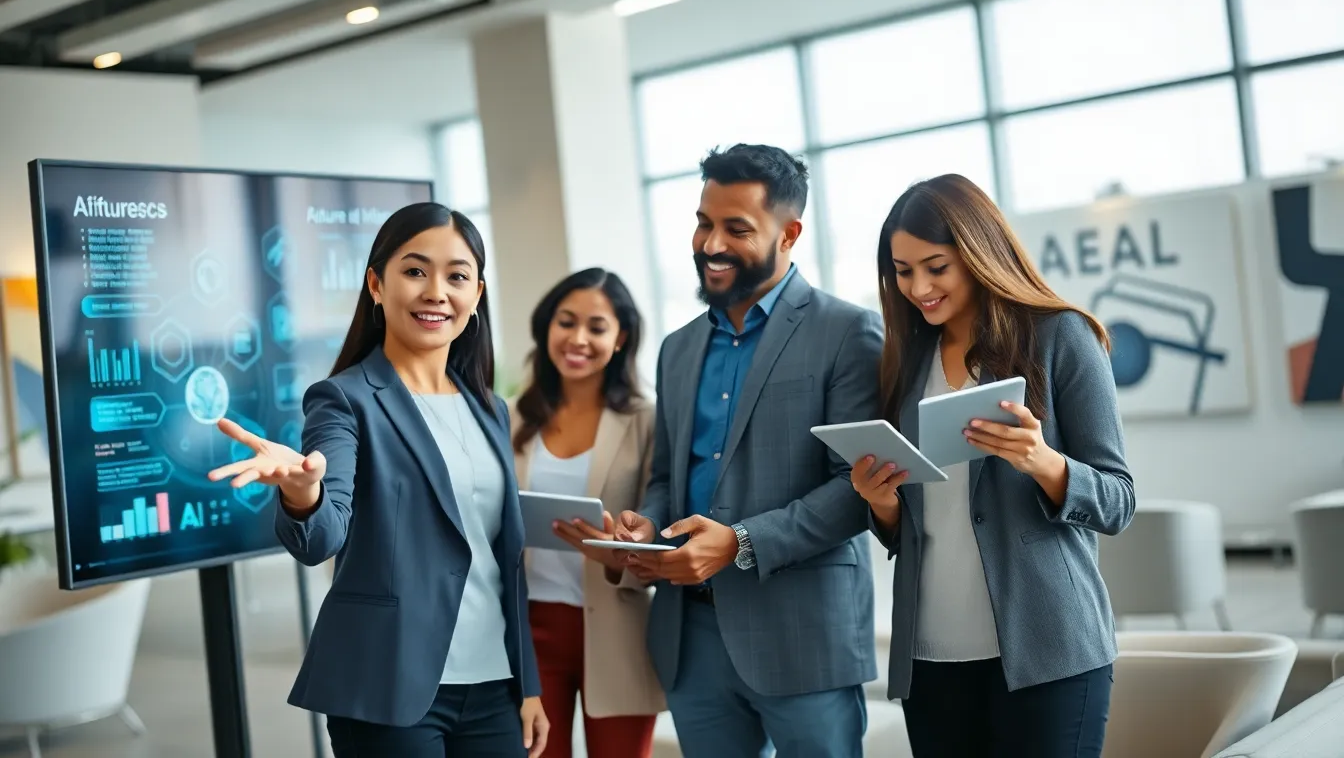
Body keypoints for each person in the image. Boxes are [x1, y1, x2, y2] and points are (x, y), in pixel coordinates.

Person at [206, 202, 548, 758]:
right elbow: (322, 537)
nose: (437, 291)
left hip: (493, 684)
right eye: (415, 271)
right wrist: (302, 492)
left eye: (457, 276)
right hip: (390, 681)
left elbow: (502, 559)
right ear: (376, 284)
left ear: (477, 295)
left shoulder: (491, 408)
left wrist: (527, 685)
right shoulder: (345, 399)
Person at [613, 143, 884, 758]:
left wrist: (740, 544)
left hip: (802, 632)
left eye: (736, 229)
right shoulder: (678, 348)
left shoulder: (848, 333)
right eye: (704, 222)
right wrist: (648, 523)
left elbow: (859, 489)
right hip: (691, 635)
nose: (710, 243)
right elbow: (666, 475)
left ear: (788, 234)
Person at [853, 173, 1135, 758]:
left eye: (936, 267)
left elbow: (1118, 500)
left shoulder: (1061, 337)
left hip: (1047, 653)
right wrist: (881, 502)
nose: (918, 287)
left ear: (979, 254)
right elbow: (916, 524)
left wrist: (1046, 463)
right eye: (903, 271)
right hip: (931, 659)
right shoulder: (908, 362)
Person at [508, 267, 666, 758]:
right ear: (545, 327)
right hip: (529, 631)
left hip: (617, 629)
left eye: (597, 327)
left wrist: (621, 556)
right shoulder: (508, 415)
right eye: (566, 322)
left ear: (621, 338)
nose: (578, 339)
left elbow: (660, 521)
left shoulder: (646, 419)